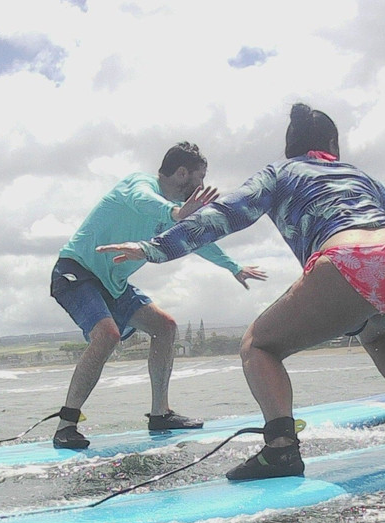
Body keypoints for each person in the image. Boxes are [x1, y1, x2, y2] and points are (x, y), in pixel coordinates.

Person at [97, 103, 385, 480]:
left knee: (259, 345)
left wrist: (153, 248)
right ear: (332, 142)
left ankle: (281, 450)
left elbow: (224, 214)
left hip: (351, 259)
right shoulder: (355, 174)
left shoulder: (280, 172)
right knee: (378, 332)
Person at [49, 142, 266, 449]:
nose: (202, 186)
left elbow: (195, 239)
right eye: (199, 177)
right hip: (77, 271)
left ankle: (159, 414)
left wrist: (233, 267)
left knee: (165, 327)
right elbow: (144, 202)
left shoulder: (172, 212)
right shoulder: (139, 186)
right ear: (182, 172)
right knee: (107, 334)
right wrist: (176, 212)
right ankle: (65, 426)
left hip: (113, 284)